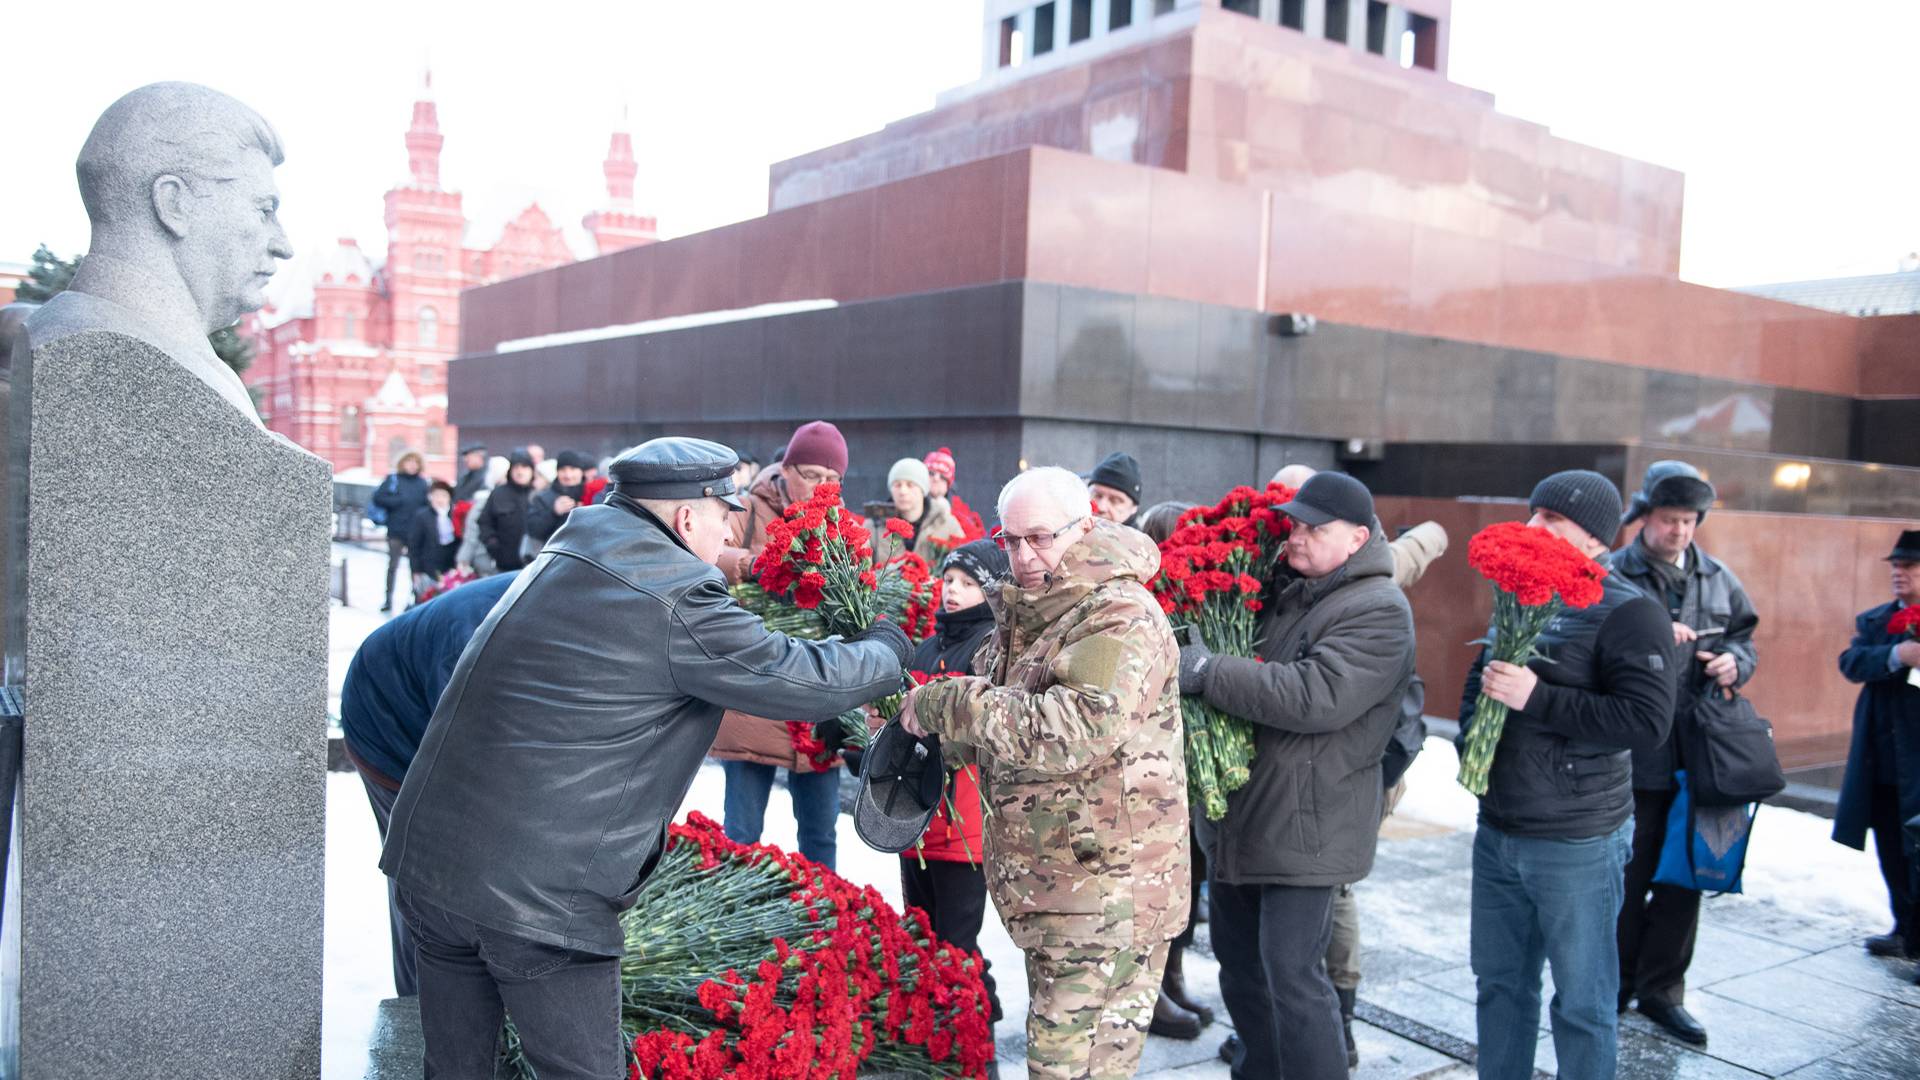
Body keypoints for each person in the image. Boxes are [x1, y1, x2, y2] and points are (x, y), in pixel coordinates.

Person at [380, 437, 911, 1080]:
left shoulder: (569, 552)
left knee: (455, 1070)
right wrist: (886, 643)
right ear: (688, 518)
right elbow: (799, 678)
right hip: (538, 898)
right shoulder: (675, 597)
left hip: (432, 863)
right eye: (726, 518)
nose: (728, 535)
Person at [900, 466, 1189, 1080]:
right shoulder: (1032, 609)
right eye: (1010, 540)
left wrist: (945, 703)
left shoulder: (1118, 615)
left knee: (1071, 1069)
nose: (1023, 556)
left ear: (1084, 528)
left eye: (1040, 538)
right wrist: (932, 742)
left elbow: (1074, 730)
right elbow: (1001, 726)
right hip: (1060, 891)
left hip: (1108, 900)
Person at [1176, 471, 1416, 1080]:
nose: (1297, 537)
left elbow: (1317, 695)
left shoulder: (1379, 608)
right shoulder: (1290, 590)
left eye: (1315, 528)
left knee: (1294, 980)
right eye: (1296, 525)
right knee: (1240, 967)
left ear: (1359, 537)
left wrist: (1208, 669)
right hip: (1245, 819)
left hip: (1309, 827)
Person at [1458, 470, 1676, 1080]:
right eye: (1533, 514)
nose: (1533, 528)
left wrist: (1540, 698)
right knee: (1499, 986)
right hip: (1499, 828)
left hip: (1576, 839)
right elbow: (1483, 680)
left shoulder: (1631, 611)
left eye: (1552, 520)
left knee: (1582, 1001)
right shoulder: (1522, 593)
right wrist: (1473, 752)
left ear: (1594, 539)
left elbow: (1646, 723)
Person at [1610, 461, 1757, 1045]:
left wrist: (1734, 664)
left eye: (1690, 521)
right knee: (1625, 875)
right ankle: (1614, 985)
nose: (1680, 532)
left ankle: (1663, 992)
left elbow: (1745, 638)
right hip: (1631, 755)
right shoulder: (1614, 573)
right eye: (1670, 519)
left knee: (1686, 877)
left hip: (1702, 756)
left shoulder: (1718, 578)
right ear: (1645, 517)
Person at [341, 570, 520, 996]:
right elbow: (474, 775)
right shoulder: (475, 643)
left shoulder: (575, 605)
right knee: (428, 880)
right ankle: (421, 1008)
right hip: (389, 728)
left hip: (445, 710)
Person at [710, 420, 851, 867]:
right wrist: (753, 566)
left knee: (820, 836)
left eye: (832, 479)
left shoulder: (841, 525)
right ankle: (739, 919)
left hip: (816, 695)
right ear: (786, 468)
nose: (821, 486)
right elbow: (707, 554)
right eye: (811, 475)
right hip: (756, 689)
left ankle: (825, 919)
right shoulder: (747, 507)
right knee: (742, 835)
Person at [894, 538, 1010, 1030]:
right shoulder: (928, 643)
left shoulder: (991, 647)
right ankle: (976, 1000)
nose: (953, 592)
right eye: (949, 581)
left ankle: (968, 1033)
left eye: (968, 583)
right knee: (922, 929)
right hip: (917, 820)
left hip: (963, 827)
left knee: (956, 937)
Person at [1833, 528, 1920, 975]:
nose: (1899, 574)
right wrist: (1898, 655)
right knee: (1890, 846)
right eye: (1896, 567)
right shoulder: (1877, 621)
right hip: (1883, 762)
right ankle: (1905, 930)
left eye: (1908, 566)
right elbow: (1851, 663)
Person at [373, 451, 431, 613]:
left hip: (416, 531)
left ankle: (416, 597)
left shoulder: (423, 483)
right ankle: (388, 598)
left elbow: (428, 505)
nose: (412, 465)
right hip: (396, 530)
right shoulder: (393, 480)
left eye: (415, 462)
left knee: (415, 566)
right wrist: (397, 501)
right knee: (393, 566)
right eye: (409, 461)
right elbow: (378, 498)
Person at [880, 457, 968, 562]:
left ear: (923, 489)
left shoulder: (946, 523)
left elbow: (962, 563)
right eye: (897, 485)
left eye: (910, 485)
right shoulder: (875, 525)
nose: (903, 491)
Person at [523, 449, 589, 561]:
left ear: (581, 471)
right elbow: (533, 531)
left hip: (588, 560)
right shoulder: (543, 498)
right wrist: (554, 512)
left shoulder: (592, 494)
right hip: (552, 562)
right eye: (563, 470)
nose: (568, 475)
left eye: (573, 469)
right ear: (557, 472)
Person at [478, 451, 537, 573]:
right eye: (516, 467)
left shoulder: (539, 495)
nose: (520, 472)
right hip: (505, 564)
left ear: (531, 470)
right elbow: (484, 522)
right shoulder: (499, 494)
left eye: (524, 467)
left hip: (534, 564)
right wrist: (492, 544)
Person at [405, 481, 460, 597]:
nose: (440, 500)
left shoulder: (456, 514)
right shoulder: (422, 516)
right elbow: (414, 545)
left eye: (444, 496)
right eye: (437, 496)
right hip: (428, 568)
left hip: (450, 567)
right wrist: (416, 570)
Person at [925, 446, 986, 537]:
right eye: (931, 473)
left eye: (942, 477)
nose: (936, 479)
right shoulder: (909, 505)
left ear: (949, 484)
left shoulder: (962, 517)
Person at [1085, 451, 1143, 527]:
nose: (1101, 507)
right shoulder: (1068, 534)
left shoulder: (1142, 538)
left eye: (1115, 501)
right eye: (1097, 495)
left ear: (1134, 508)